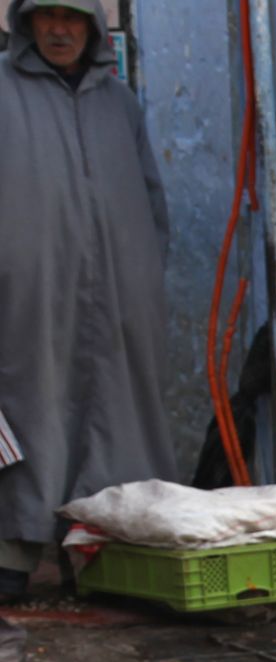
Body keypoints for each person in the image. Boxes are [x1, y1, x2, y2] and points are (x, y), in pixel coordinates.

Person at [0, 0, 176, 601]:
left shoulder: (118, 104)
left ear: (94, 27)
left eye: (72, 18)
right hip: (28, 293)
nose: (57, 30)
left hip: (119, 298)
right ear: (24, 25)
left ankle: (108, 555)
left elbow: (150, 200)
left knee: (116, 418)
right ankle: (13, 550)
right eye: (44, 16)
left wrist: (146, 275)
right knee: (27, 411)